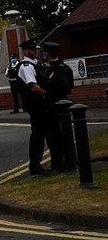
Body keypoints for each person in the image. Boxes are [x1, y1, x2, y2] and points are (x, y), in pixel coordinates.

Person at [39, 41, 75, 172]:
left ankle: (58, 164)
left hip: (55, 106)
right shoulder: (64, 67)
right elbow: (70, 86)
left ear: (47, 54)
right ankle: (63, 162)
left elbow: (63, 86)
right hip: (60, 105)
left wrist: (48, 84)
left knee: (55, 137)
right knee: (60, 135)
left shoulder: (55, 69)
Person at [15, 39, 49, 176]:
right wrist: (47, 94)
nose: (35, 52)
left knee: (41, 135)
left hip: (40, 105)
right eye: (32, 50)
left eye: (36, 49)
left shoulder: (35, 64)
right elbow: (33, 87)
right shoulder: (26, 66)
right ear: (26, 51)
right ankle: (35, 166)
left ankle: (38, 165)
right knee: (37, 136)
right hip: (35, 105)